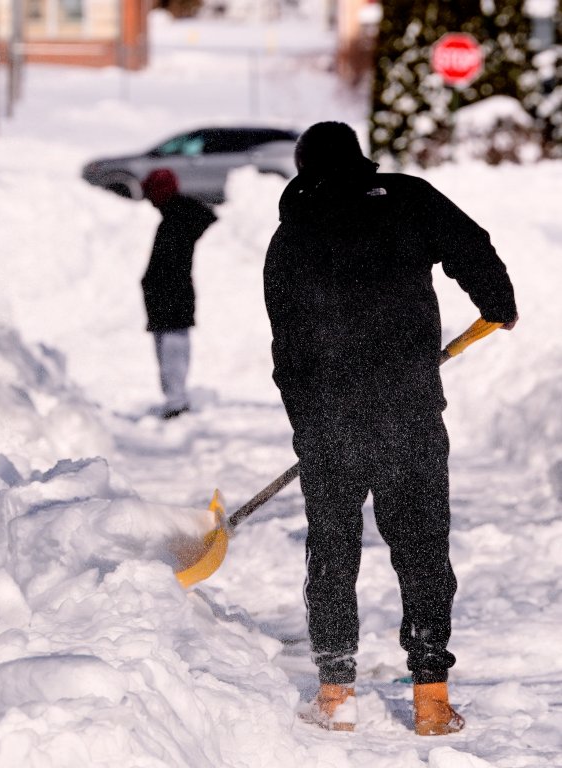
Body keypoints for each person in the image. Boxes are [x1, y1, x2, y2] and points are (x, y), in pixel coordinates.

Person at [264, 122, 517, 736]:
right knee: (423, 548)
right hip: (408, 407)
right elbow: (470, 244)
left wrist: (308, 425)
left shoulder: (291, 236)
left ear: (303, 169)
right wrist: (498, 302)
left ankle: (335, 696)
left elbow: (287, 346)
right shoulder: (406, 198)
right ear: (359, 159)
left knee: (332, 548)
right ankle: (431, 699)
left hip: (331, 417)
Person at [139, 168, 216, 419]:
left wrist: (156, 288)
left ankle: (176, 401)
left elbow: (169, 266)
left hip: (171, 298)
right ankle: (175, 399)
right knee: (172, 349)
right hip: (169, 297)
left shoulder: (178, 219)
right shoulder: (178, 215)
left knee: (173, 351)